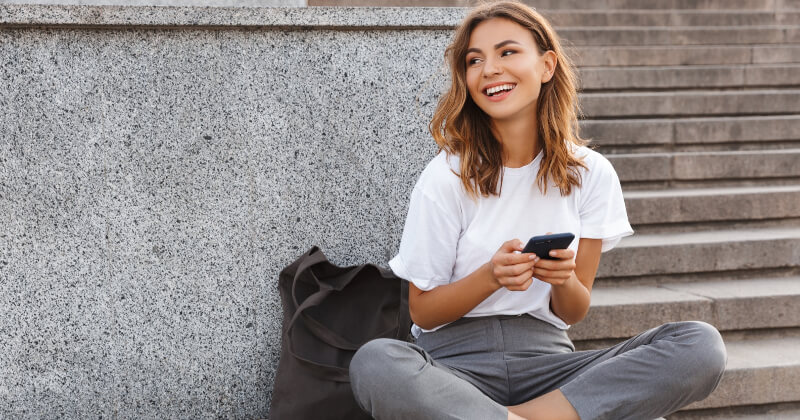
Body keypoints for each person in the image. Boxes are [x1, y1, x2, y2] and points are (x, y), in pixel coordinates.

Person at [349, 2, 727, 419]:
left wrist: (562, 280)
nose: (489, 69)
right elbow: (422, 310)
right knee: (376, 363)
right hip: (455, 368)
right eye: (475, 60)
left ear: (547, 65)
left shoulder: (590, 174)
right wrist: (490, 277)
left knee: (699, 345)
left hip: (550, 366)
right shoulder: (447, 176)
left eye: (507, 52)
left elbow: (573, 310)